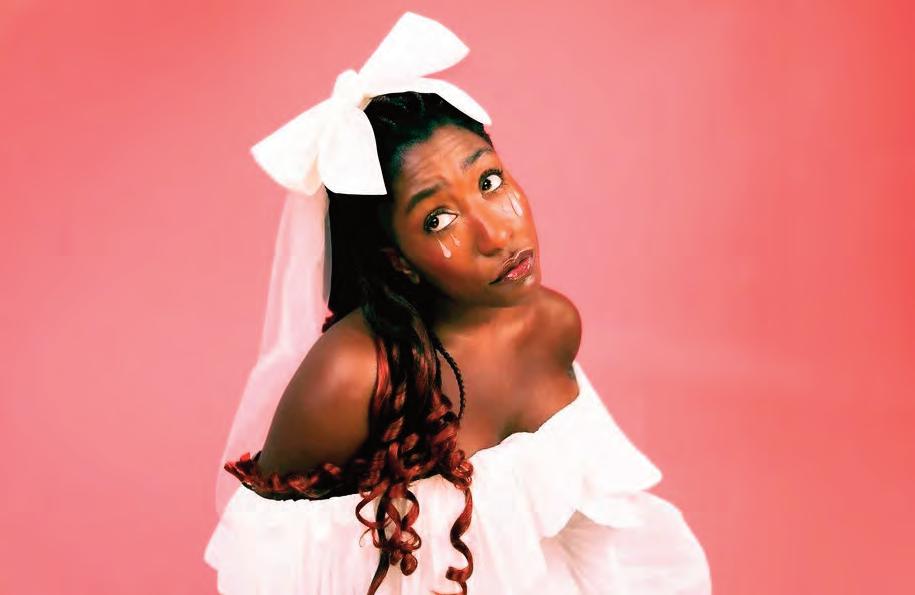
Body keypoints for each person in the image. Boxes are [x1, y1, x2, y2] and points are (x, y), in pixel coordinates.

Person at [204, 12, 711, 595]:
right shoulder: (351, 378)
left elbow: (587, 530)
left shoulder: (551, 327)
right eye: (438, 219)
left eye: (490, 182)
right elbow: (273, 572)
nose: (496, 233)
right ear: (397, 259)